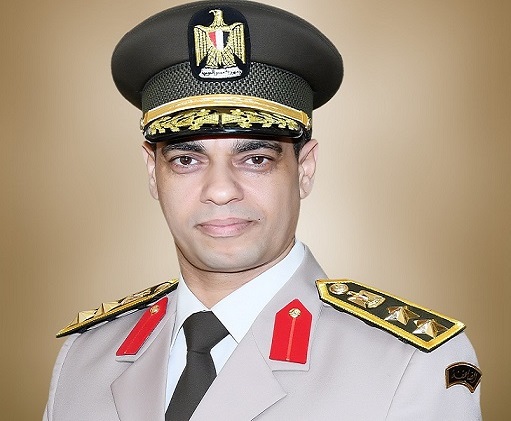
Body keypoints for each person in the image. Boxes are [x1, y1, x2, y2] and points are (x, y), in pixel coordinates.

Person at [43, 1, 482, 420]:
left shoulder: (407, 365)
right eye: (186, 159)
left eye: (255, 159)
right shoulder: (86, 359)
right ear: (153, 173)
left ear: (304, 168)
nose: (220, 191)